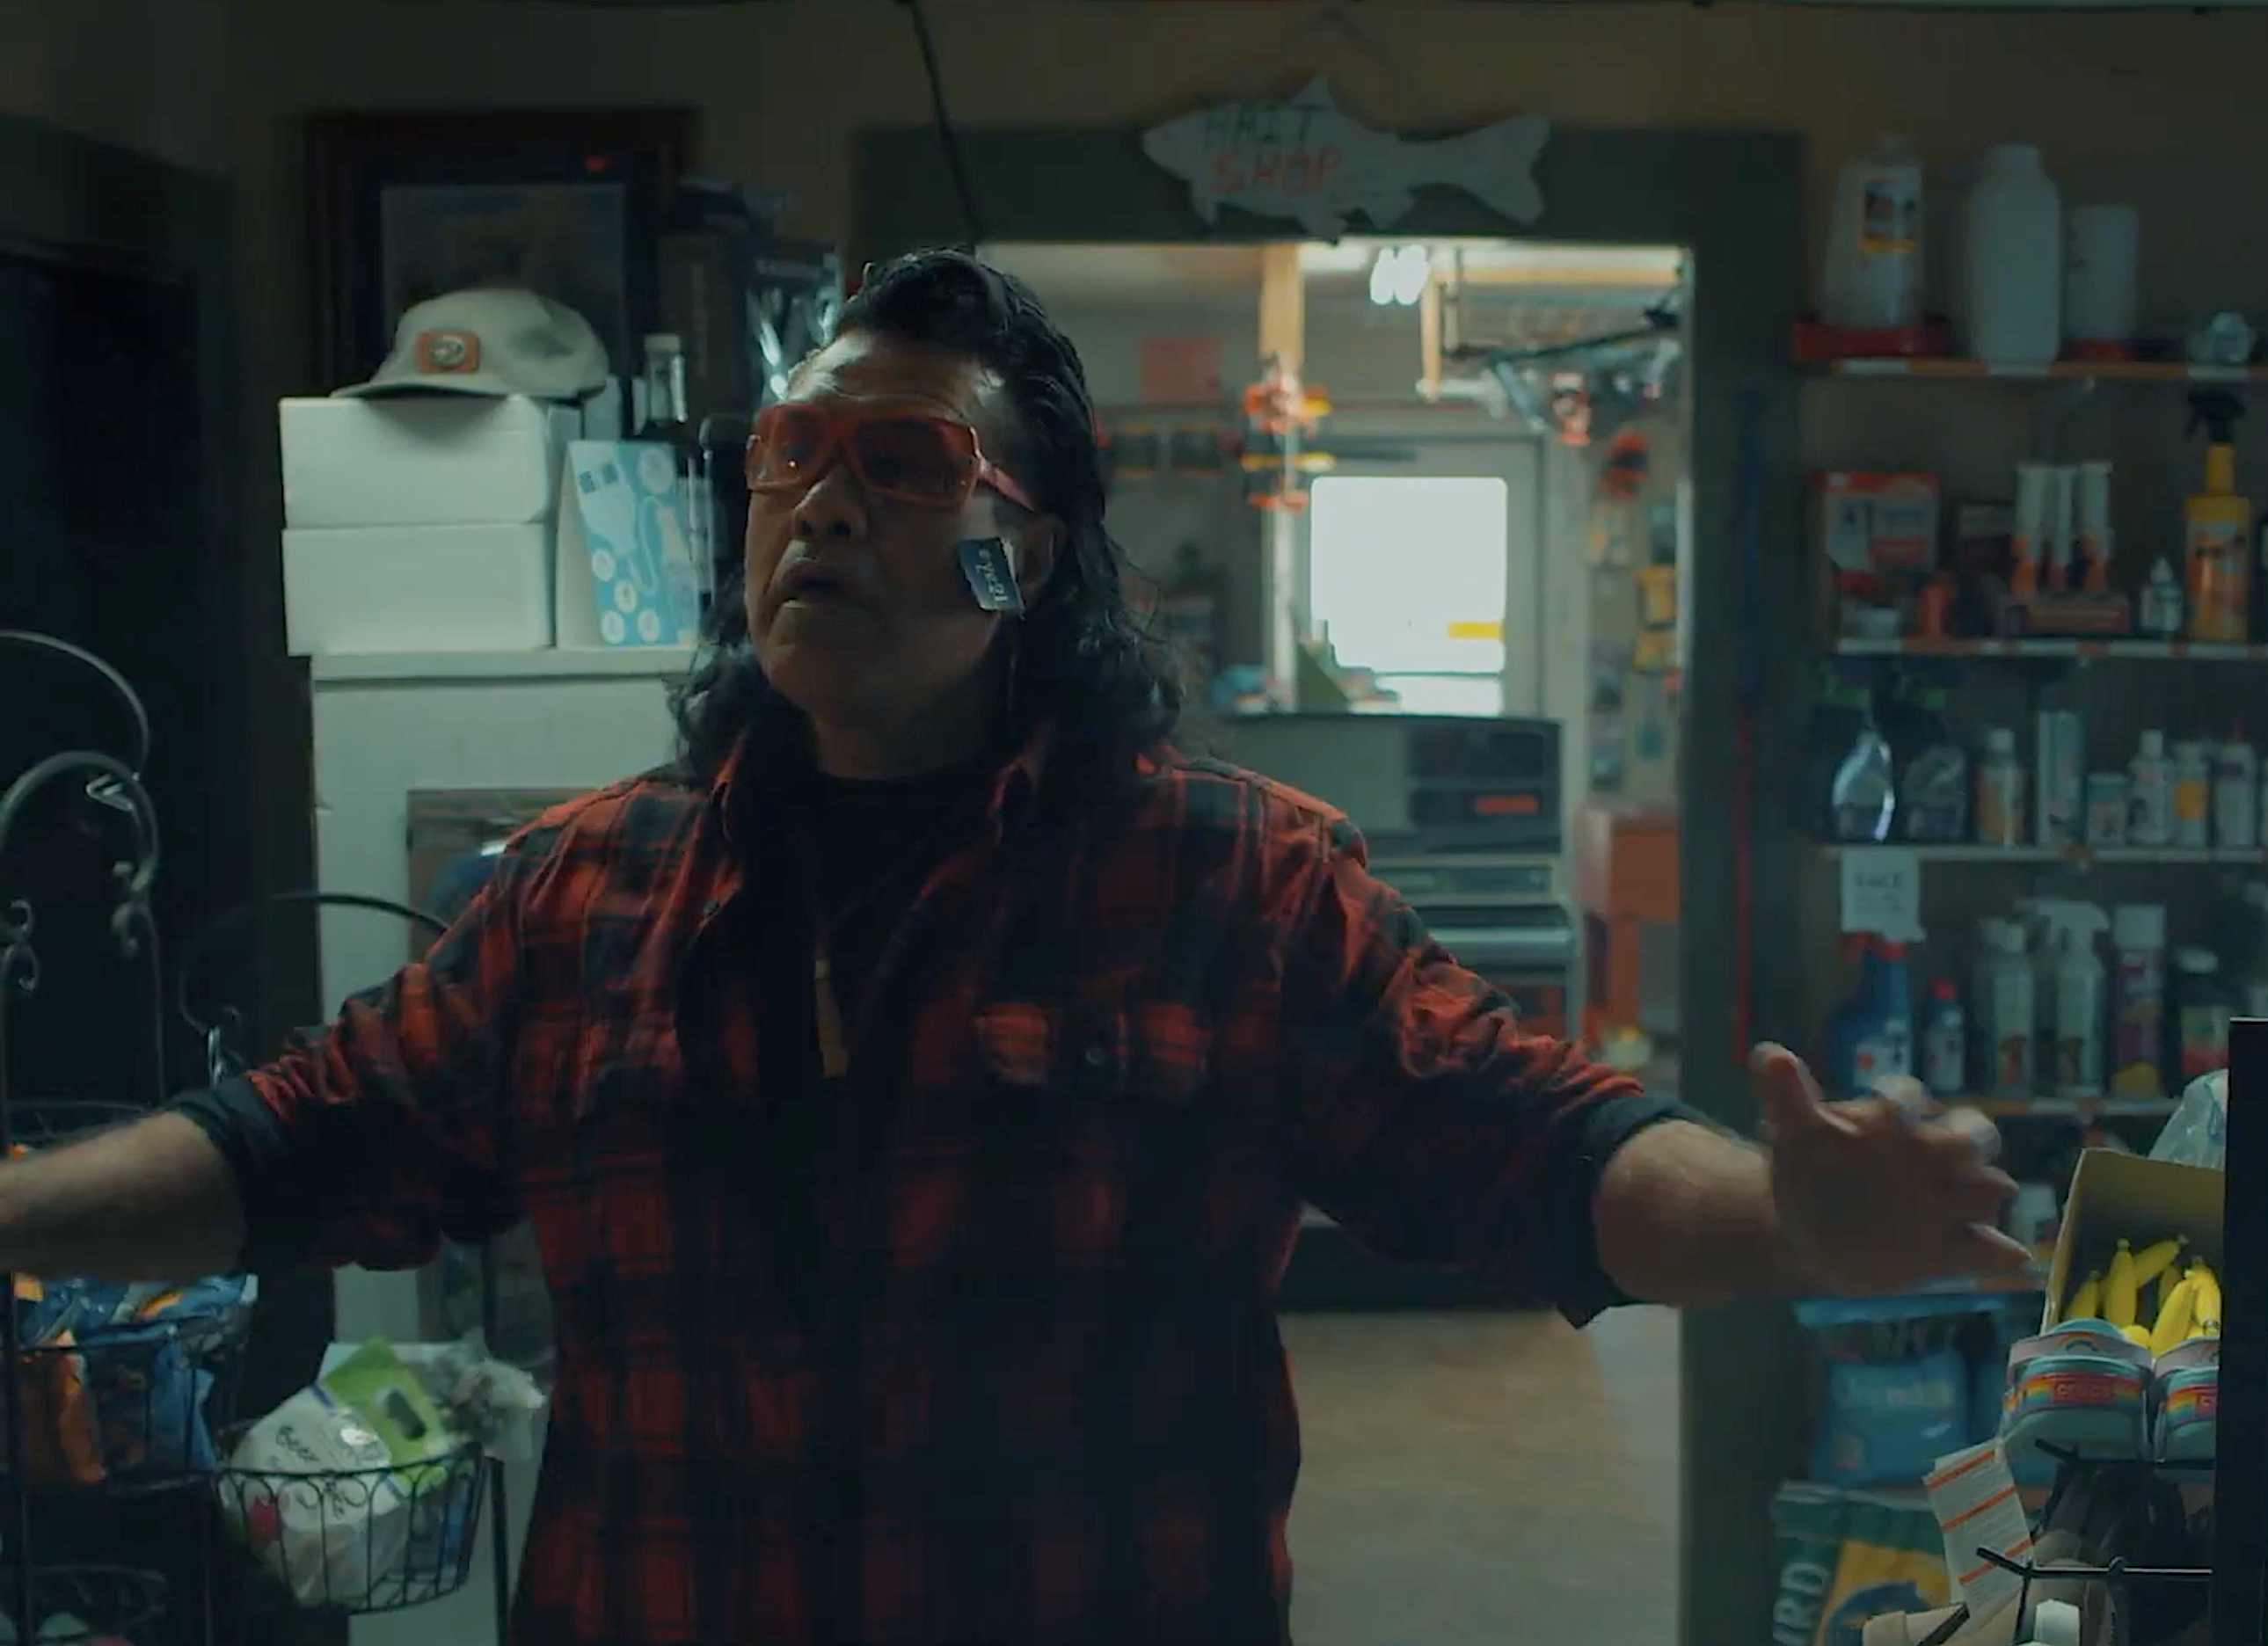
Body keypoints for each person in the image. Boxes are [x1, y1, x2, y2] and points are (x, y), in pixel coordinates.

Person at [0, 249, 2024, 1644]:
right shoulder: (576, 895)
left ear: (1023, 554)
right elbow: (299, 1140)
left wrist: (1791, 1225)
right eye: (793, 458)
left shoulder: (1231, 886)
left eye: (904, 467)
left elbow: (1540, 1143)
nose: (823, 507)